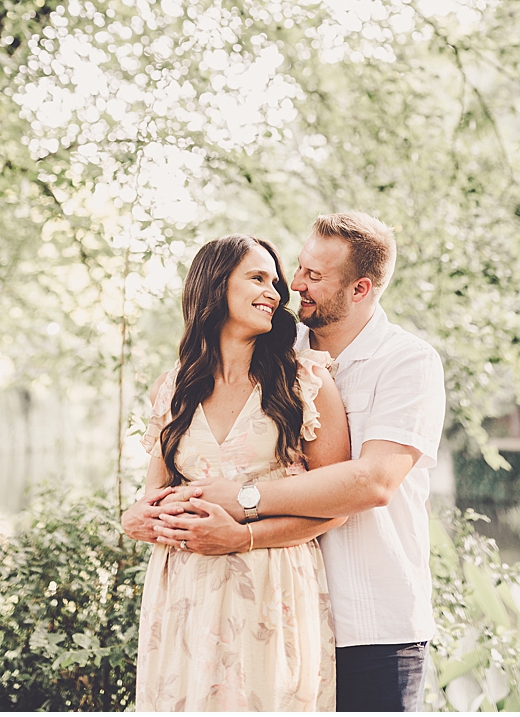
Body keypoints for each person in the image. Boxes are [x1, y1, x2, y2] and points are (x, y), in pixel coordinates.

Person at [155, 213, 447, 713]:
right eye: (299, 268)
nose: (294, 285)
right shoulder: (275, 358)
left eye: (314, 276)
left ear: (360, 290)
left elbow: (373, 482)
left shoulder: (407, 362)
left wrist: (243, 503)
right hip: (277, 613)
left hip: (372, 624)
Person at [120, 234, 350, 711]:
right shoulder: (172, 388)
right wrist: (134, 519)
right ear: (215, 286)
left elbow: (336, 507)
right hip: (185, 589)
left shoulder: (303, 380)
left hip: (272, 588)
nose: (276, 291)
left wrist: (242, 538)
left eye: (276, 281)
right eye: (257, 278)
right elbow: (153, 496)